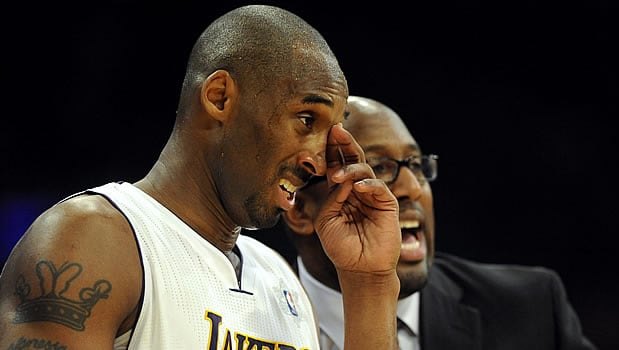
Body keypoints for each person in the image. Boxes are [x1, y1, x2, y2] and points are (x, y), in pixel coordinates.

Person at [0, 6, 403, 349]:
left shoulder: (281, 279)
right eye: (306, 119)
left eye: (331, 133)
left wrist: (371, 282)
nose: (320, 163)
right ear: (219, 98)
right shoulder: (90, 240)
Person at [281, 95, 598, 349]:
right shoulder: (250, 320)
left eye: (417, 165)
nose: (412, 188)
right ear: (300, 210)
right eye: (377, 168)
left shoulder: (529, 310)